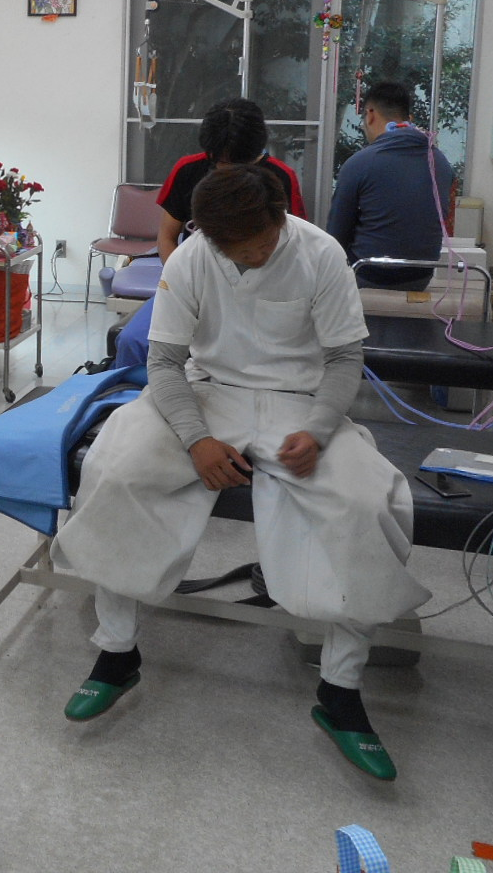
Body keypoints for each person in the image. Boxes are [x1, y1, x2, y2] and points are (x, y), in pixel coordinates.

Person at [50, 166, 429, 780]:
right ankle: (116, 654)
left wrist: (320, 429)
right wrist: (196, 440)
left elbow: (343, 357)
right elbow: (165, 363)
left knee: (367, 503)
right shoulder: (193, 258)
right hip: (205, 394)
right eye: (235, 250)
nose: (250, 258)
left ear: (282, 217)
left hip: (299, 403)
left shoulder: (321, 254)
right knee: (115, 473)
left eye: (260, 244)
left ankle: (340, 690)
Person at [112, 99, 305, 366]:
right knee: (132, 341)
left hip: (259, 293)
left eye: (238, 163)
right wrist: (181, 283)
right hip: (193, 287)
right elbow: (166, 237)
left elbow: (293, 249)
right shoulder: (188, 170)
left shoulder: (280, 177)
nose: (228, 169)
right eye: (221, 161)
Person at [326, 80, 454, 290]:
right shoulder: (439, 162)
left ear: (370, 114)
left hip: (368, 274)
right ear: (409, 120)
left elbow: (336, 235)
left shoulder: (360, 163)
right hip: (421, 276)